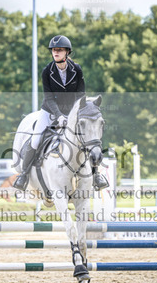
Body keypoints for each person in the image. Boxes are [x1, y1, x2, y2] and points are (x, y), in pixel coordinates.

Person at [13, 35, 109, 191]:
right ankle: (23, 175)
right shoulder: (47, 71)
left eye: (59, 50)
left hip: (72, 112)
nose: (55, 52)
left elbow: (80, 95)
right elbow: (49, 98)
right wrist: (59, 116)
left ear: (67, 52)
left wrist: (73, 115)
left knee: (87, 138)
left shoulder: (76, 69)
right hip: (49, 111)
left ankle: (96, 174)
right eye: (53, 50)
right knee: (36, 139)